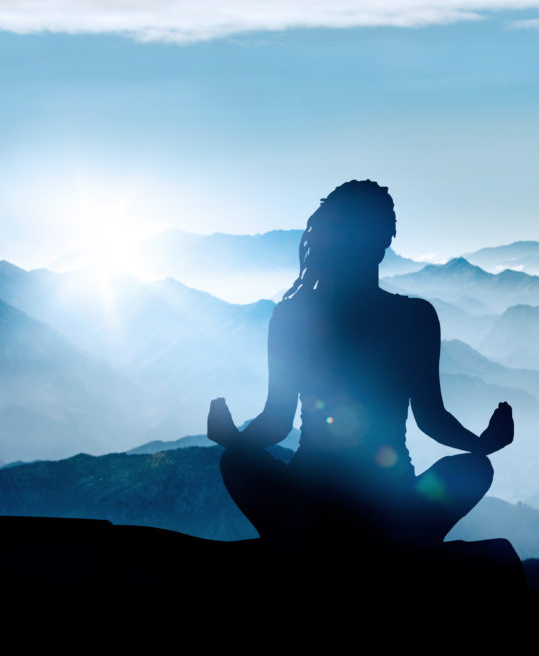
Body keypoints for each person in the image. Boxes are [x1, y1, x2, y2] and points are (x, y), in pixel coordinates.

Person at [207, 180, 514, 552]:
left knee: (237, 462)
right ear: (386, 239)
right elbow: (431, 419)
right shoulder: (414, 317)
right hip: (392, 499)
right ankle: (404, 542)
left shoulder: (292, 316)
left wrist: (234, 440)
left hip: (308, 496)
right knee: (473, 469)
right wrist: (481, 445)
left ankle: (301, 541)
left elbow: (276, 421)